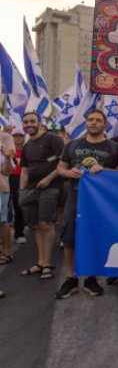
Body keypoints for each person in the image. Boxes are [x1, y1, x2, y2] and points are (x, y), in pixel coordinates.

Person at [54, 109, 118, 299]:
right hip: (75, 196)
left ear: (105, 125)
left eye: (98, 120)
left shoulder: (114, 147)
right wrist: (67, 173)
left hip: (100, 200)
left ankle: (91, 277)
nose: (93, 122)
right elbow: (60, 167)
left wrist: (105, 170)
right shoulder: (72, 145)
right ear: (85, 123)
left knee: (95, 235)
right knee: (69, 235)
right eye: (90, 119)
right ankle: (71, 278)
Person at [18, 112, 65, 281]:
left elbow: (63, 163)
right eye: (26, 122)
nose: (29, 124)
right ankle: (40, 262)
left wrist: (48, 178)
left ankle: (47, 264)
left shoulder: (53, 139)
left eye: (32, 121)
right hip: (31, 190)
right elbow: (24, 171)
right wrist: (22, 191)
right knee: (36, 226)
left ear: (39, 122)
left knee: (46, 224)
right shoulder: (27, 145)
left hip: (51, 188)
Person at [0, 131, 15, 266]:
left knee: (2, 220)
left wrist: (6, 158)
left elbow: (7, 171)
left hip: (1, 187)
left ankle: (6, 252)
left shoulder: (5, 137)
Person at [10, 128, 26, 244]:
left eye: (20, 135)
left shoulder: (27, 151)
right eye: (15, 136)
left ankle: (19, 233)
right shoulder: (8, 151)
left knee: (19, 205)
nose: (18, 138)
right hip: (9, 178)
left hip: (22, 179)